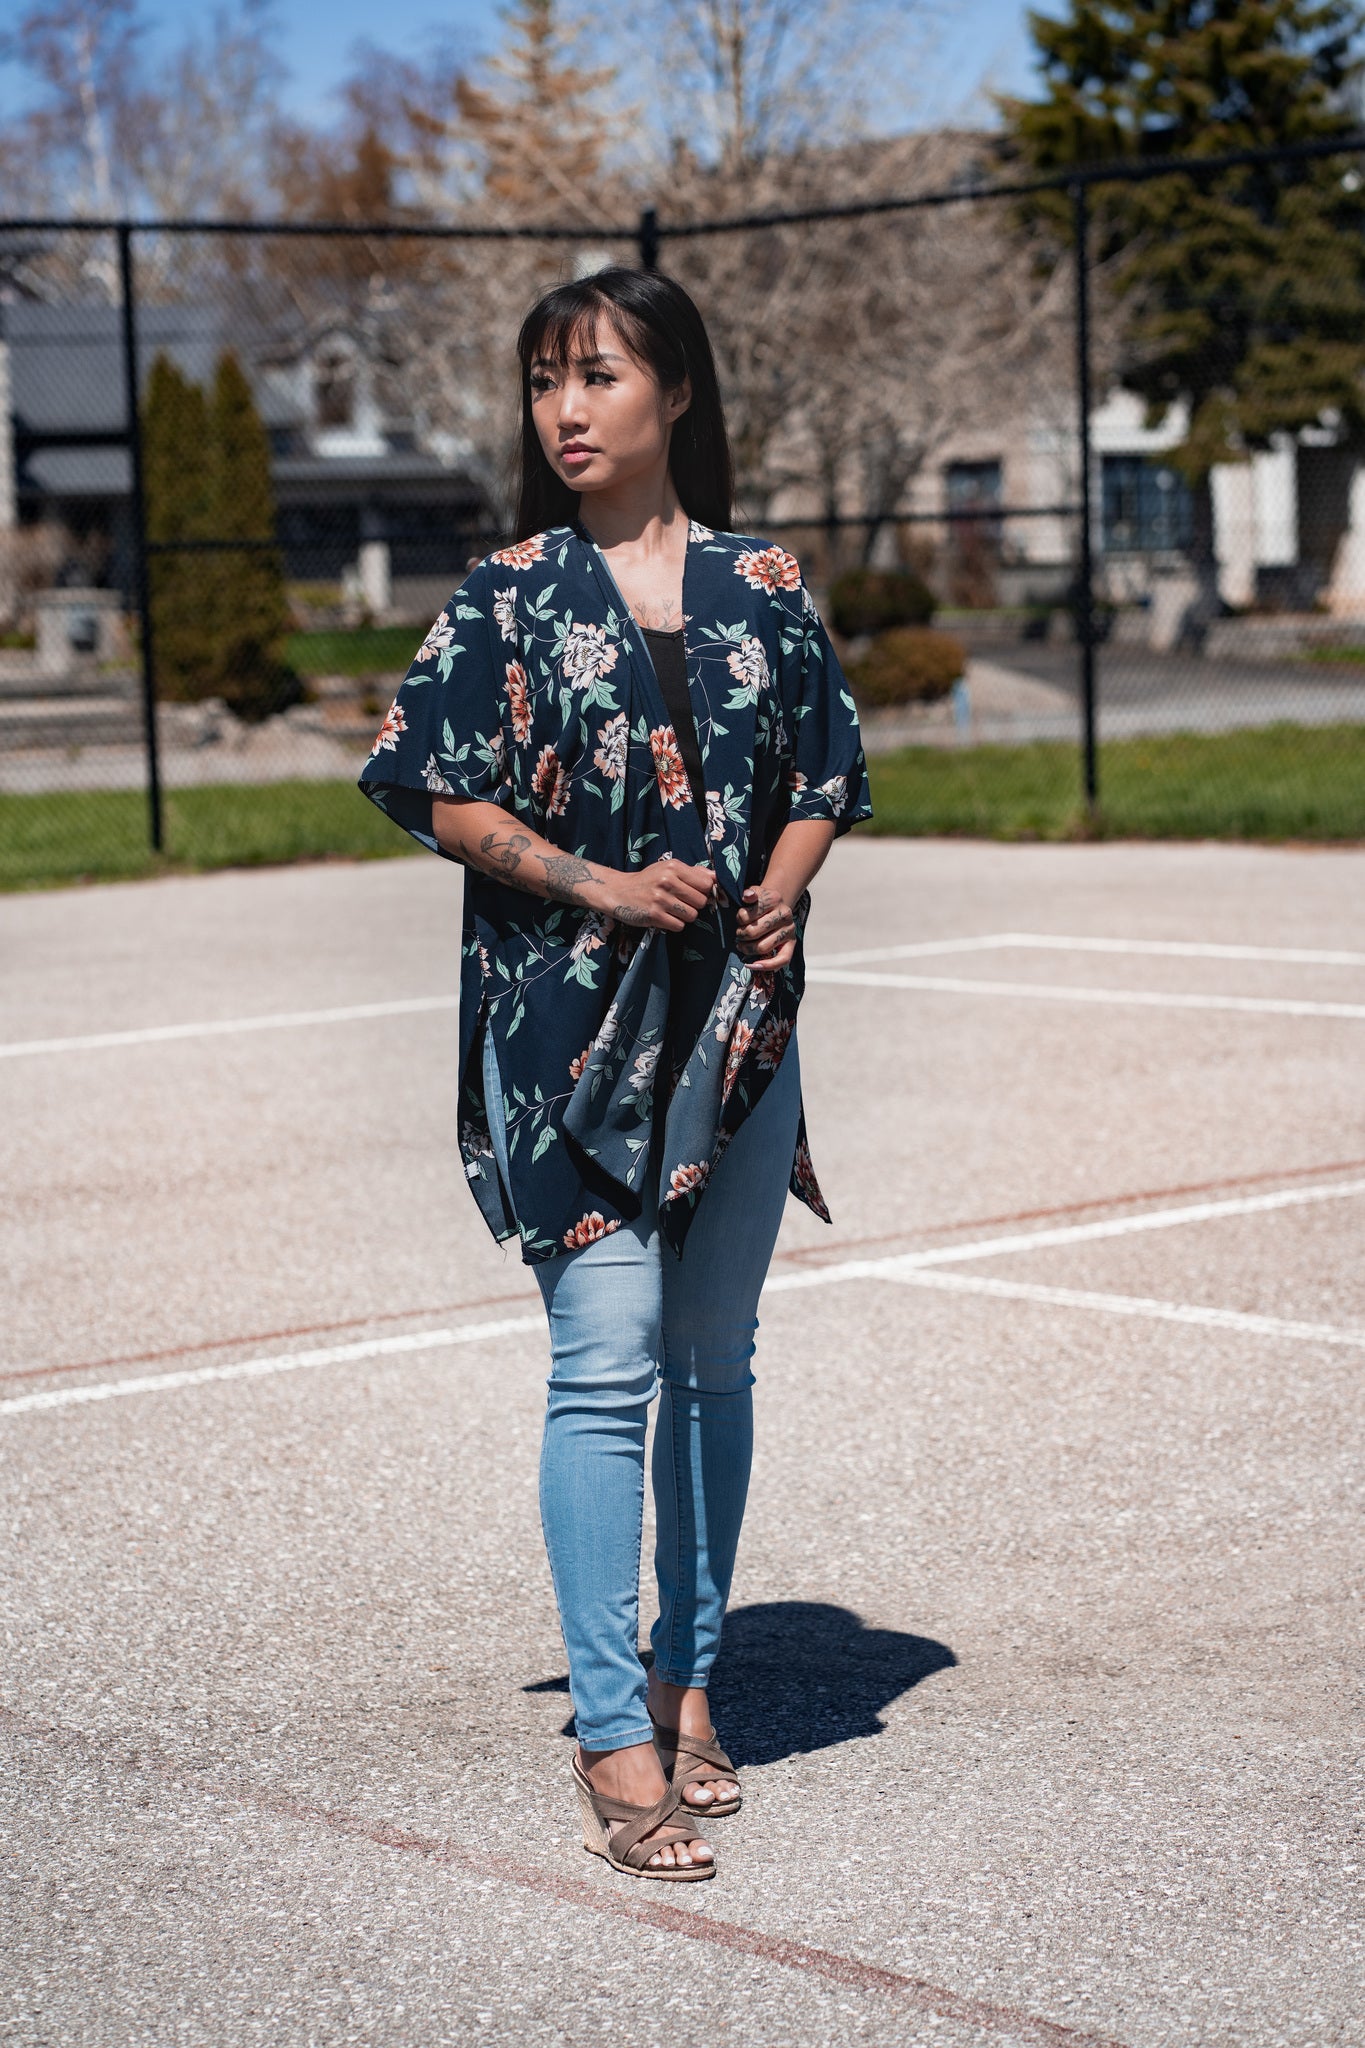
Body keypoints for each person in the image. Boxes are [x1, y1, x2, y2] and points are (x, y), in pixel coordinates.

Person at [358, 267, 871, 1881]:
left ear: (677, 392)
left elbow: (826, 772)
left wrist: (781, 884)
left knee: (714, 1363)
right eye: (543, 382)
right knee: (604, 1364)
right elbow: (430, 788)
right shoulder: (507, 593)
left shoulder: (762, 581)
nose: (564, 411)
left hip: (736, 1035)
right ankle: (607, 1727)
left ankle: (686, 1682)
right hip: (563, 1041)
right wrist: (593, 883)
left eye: (596, 376)